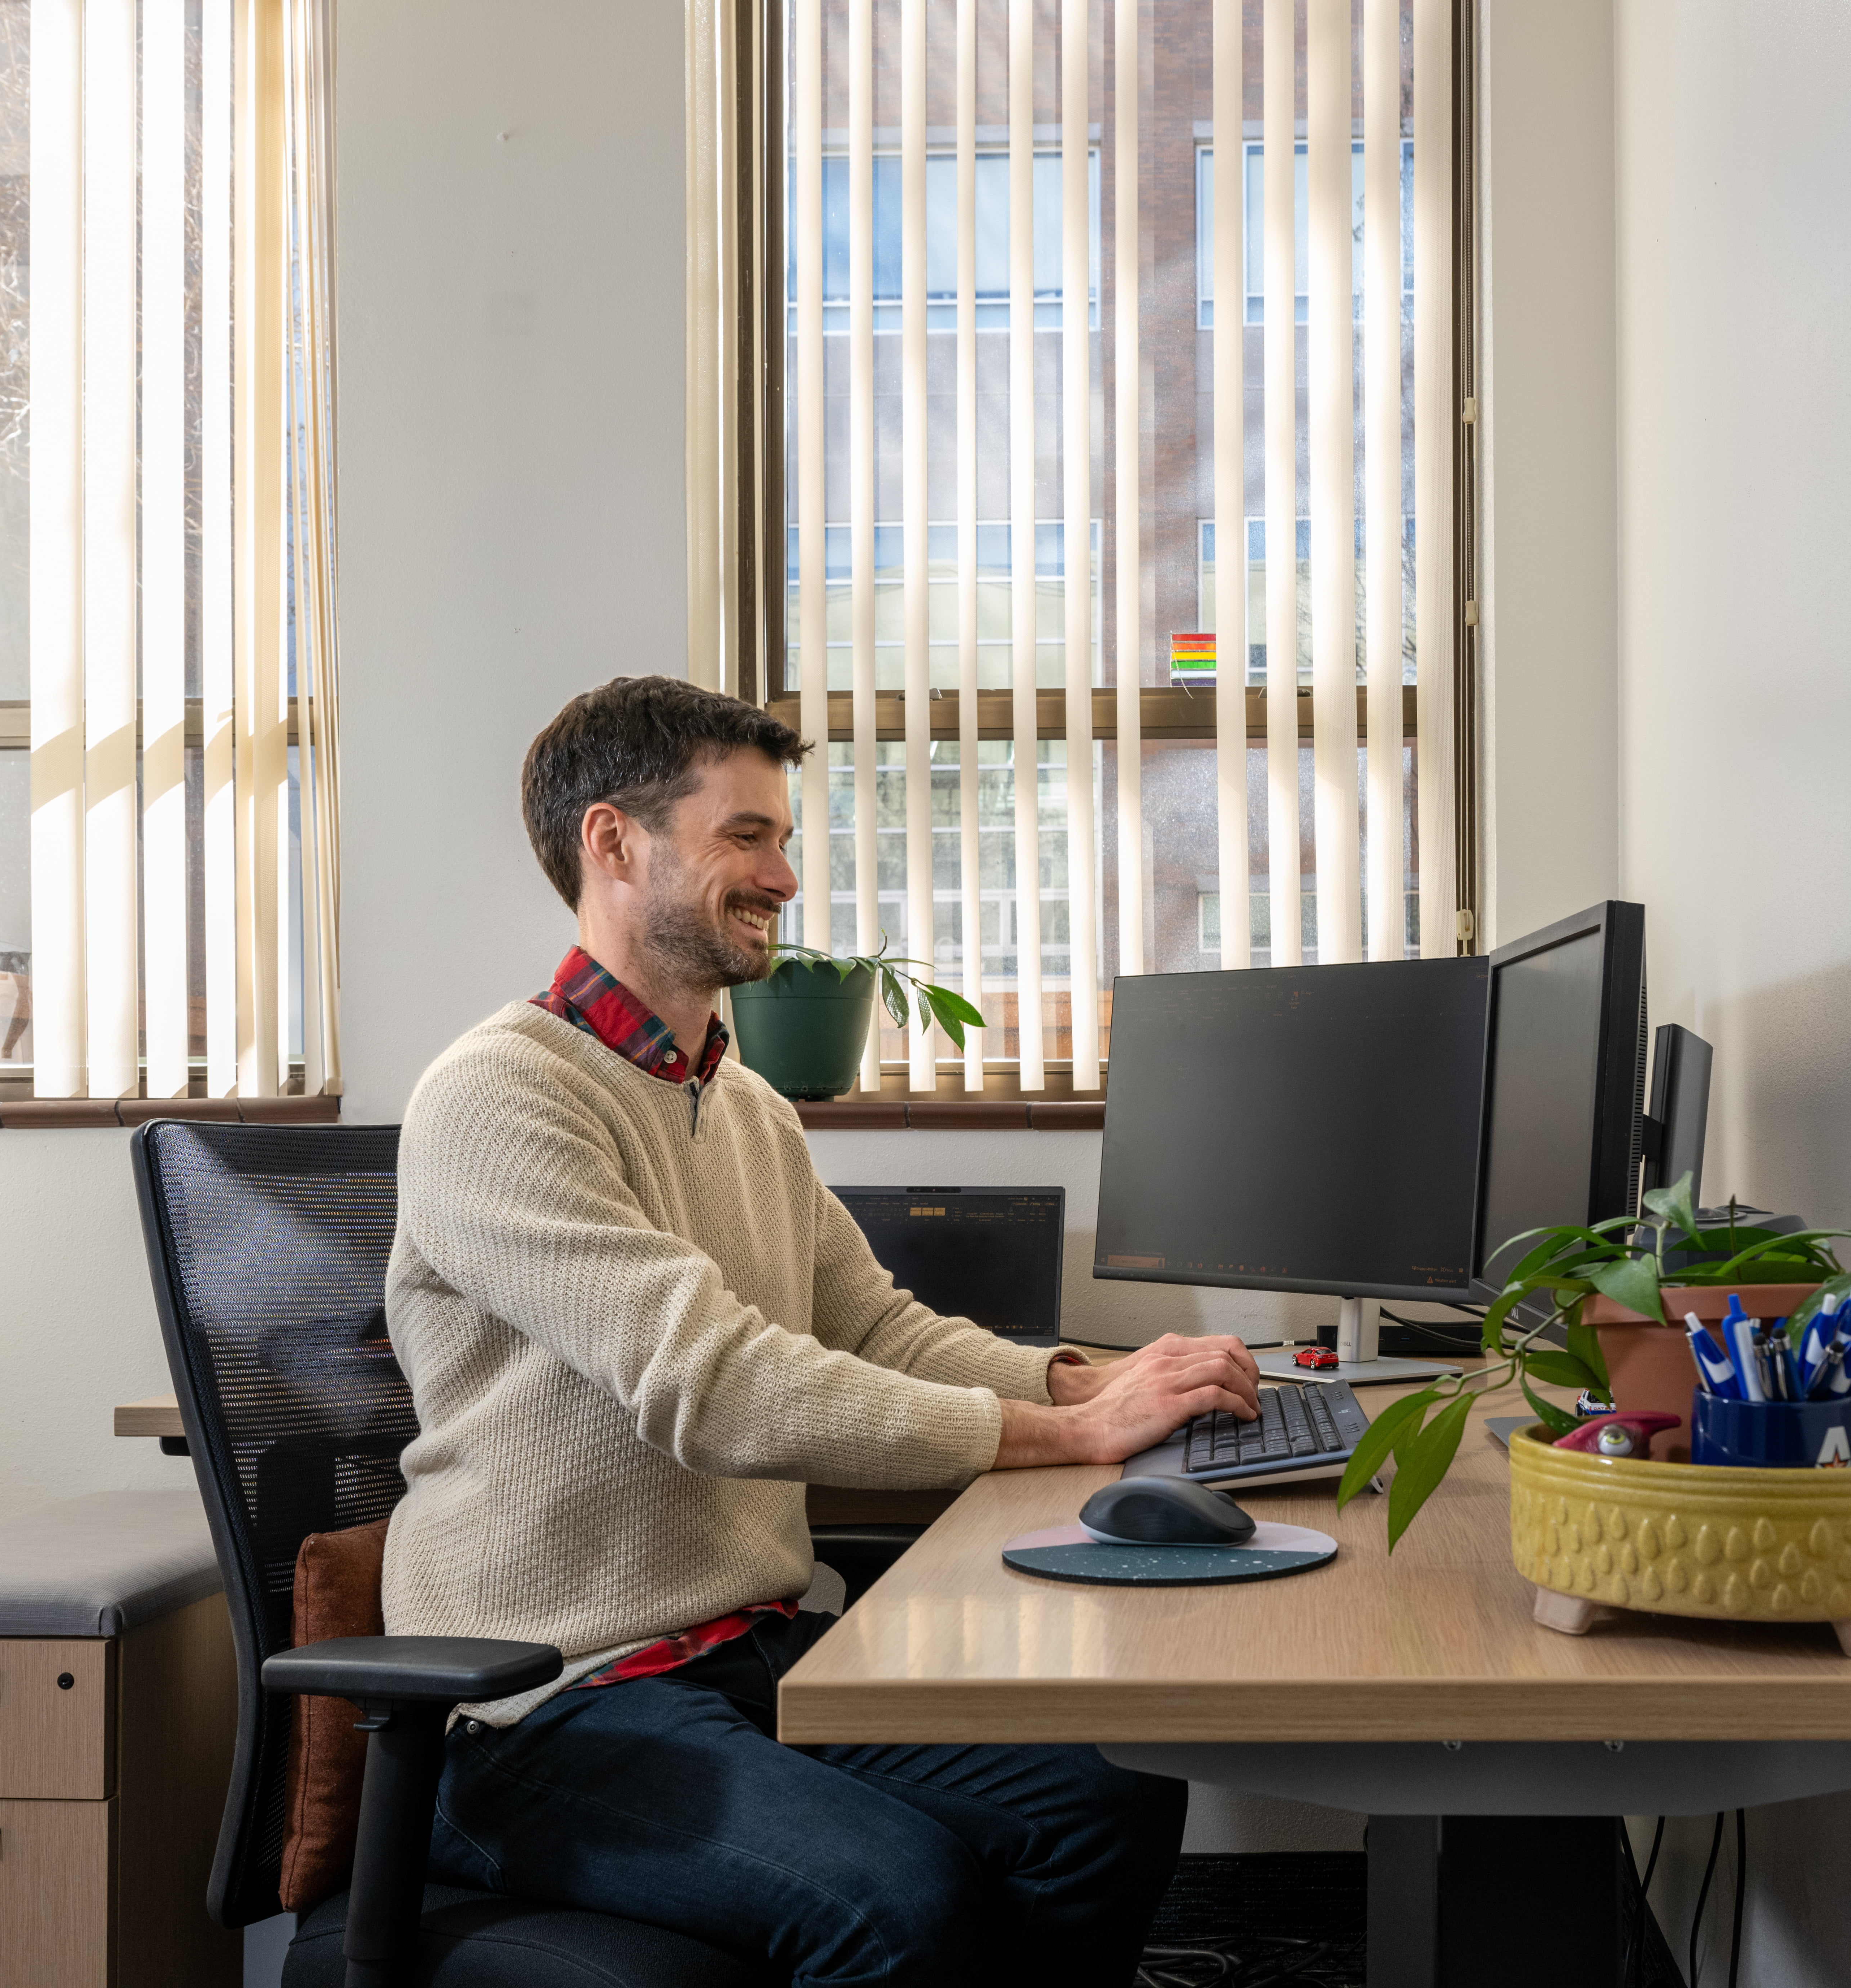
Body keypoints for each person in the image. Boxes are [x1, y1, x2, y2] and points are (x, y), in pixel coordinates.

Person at [384, 675, 1263, 1986]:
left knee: (1105, 1799)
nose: (785, 878)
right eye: (745, 836)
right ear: (613, 842)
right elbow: (716, 1386)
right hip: (547, 1702)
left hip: (746, 1655)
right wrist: (1066, 1435)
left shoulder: (747, 1109)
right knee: (893, 1899)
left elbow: (876, 1330)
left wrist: (1089, 1379)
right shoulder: (498, 1098)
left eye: (784, 840)